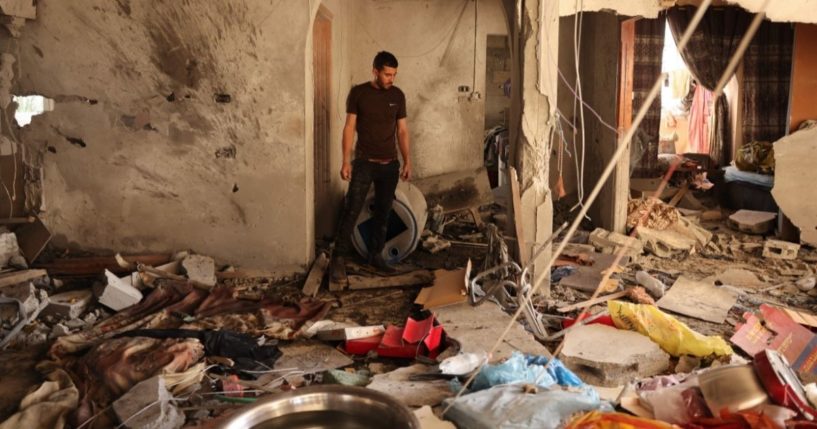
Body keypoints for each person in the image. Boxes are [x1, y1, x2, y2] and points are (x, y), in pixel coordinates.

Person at [330, 51, 411, 281]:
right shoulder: (359, 93)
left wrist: (407, 161)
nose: (391, 79)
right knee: (352, 209)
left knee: (383, 212)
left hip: (390, 165)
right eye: (387, 74)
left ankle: (375, 255)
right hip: (365, 163)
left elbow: (402, 130)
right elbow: (349, 128)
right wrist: (345, 160)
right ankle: (338, 259)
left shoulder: (398, 95)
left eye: (394, 75)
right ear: (375, 71)